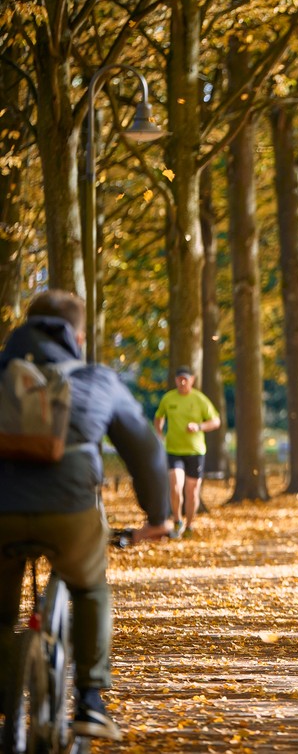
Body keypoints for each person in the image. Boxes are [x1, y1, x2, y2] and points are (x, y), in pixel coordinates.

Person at [0, 290, 171, 741]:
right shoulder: (97, 379)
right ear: (77, 336)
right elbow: (147, 452)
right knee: (92, 587)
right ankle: (91, 702)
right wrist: (158, 516)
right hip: (70, 511)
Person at [154, 366, 221, 539]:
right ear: (175, 380)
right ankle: (177, 520)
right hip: (173, 450)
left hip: (195, 451)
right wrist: (159, 436)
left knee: (192, 492)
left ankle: (190, 525)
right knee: (176, 486)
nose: (182, 382)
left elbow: (216, 421)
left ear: (192, 379)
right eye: (179, 379)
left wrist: (199, 427)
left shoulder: (200, 399)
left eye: (186, 379)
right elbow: (159, 417)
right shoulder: (168, 398)